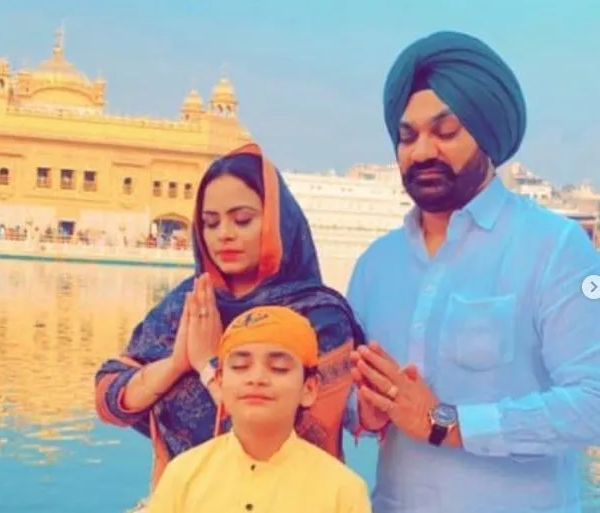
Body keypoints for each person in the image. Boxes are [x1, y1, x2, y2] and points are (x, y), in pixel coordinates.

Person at [345, 30, 600, 513]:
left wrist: (447, 422)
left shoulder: (558, 248)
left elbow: (594, 403)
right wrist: (368, 412)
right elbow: (349, 400)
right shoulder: (375, 266)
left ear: (487, 135)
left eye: (446, 132)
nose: (422, 152)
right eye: (407, 136)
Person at [96, 143, 363, 494]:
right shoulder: (189, 303)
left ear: (276, 222)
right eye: (210, 222)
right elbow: (108, 400)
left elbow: (302, 439)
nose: (224, 234)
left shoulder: (319, 317)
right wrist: (176, 365)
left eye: (242, 220)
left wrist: (208, 366)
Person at [147, 305, 371, 513]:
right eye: (240, 367)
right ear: (221, 382)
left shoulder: (342, 491)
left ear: (309, 388)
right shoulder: (183, 474)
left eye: (278, 368)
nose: (257, 378)